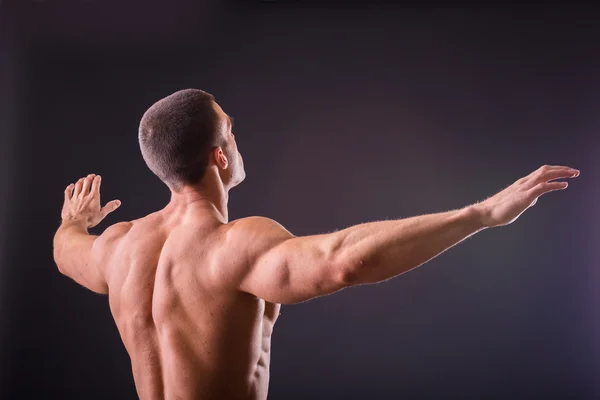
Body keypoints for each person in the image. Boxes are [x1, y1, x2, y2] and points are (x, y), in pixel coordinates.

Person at [52, 88, 580, 400]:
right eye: (230, 131)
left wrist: (74, 221)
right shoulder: (231, 245)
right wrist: (480, 214)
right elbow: (340, 262)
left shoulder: (118, 249)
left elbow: (65, 249)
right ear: (219, 155)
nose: (236, 140)